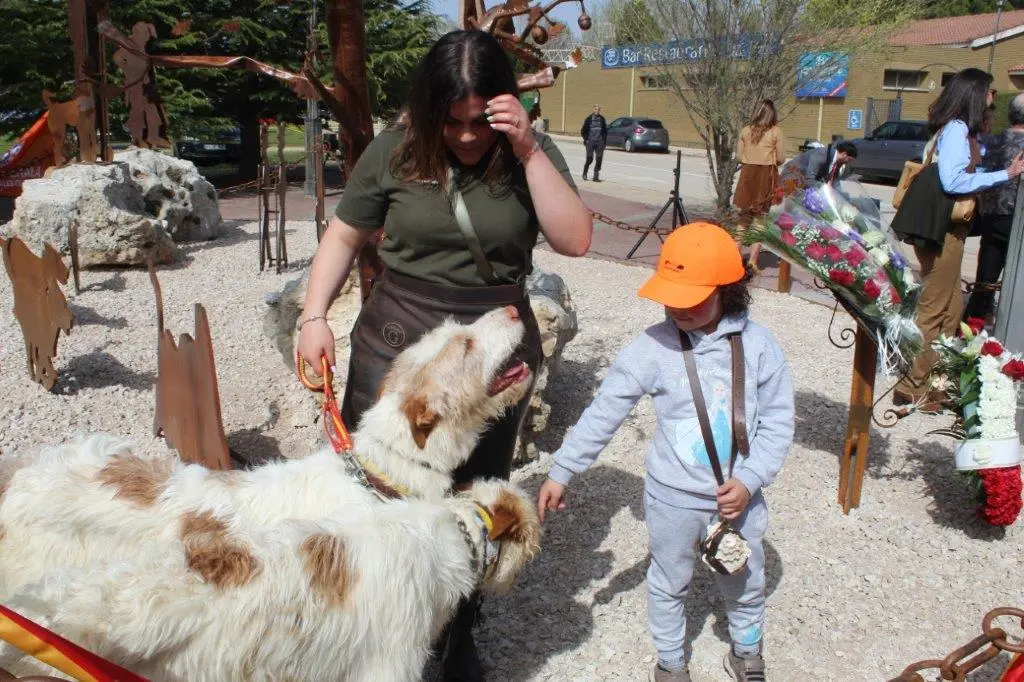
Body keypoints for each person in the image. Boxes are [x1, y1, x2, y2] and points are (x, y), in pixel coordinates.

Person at [296, 30, 592, 681]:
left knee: (469, 496)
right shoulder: (396, 151)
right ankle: (357, 625)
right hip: (398, 340)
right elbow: (344, 234)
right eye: (450, 121)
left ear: (506, 103)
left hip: (490, 351)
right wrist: (313, 314)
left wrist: (527, 148)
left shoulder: (526, 152)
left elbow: (575, 239)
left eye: (478, 120)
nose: (464, 135)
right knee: (375, 490)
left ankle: (451, 637)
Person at [537, 224, 794, 682]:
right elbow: (604, 412)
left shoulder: (759, 348)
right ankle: (672, 662)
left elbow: (777, 424)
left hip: (739, 501)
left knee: (744, 581)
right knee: (668, 580)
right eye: (671, 295)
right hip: (671, 499)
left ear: (729, 291)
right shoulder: (651, 348)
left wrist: (751, 479)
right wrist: (563, 470)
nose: (677, 306)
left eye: (692, 297)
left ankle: (746, 650)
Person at [891, 68, 1024, 412]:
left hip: (949, 232)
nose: (994, 97)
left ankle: (934, 384)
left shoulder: (958, 130)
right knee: (934, 310)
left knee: (951, 312)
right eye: (990, 92)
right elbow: (952, 182)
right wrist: (1005, 174)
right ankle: (910, 385)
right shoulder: (956, 130)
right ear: (975, 95)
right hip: (943, 233)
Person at [964, 93, 1024, 323]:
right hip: (1017, 221)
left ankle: (972, 328)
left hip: (990, 217)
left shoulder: (991, 142)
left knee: (985, 277)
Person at [734, 100, 785, 270]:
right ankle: (753, 261)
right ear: (773, 114)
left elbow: (739, 156)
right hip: (766, 175)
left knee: (744, 217)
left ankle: (734, 255)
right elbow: (781, 158)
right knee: (760, 218)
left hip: (748, 174)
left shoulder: (745, 130)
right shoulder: (776, 131)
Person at [783, 140, 858, 185]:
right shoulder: (821, 156)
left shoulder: (837, 163)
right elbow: (809, 179)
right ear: (844, 154)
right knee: (794, 206)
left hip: (802, 179)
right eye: (850, 160)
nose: (849, 163)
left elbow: (834, 182)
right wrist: (824, 188)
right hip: (792, 175)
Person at [580, 104, 607, 182]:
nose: (597, 111)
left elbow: (605, 131)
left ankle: (596, 176)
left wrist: (604, 141)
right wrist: (586, 139)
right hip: (590, 141)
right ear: (593, 110)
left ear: (599, 110)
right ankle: (585, 172)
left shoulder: (602, 119)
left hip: (600, 142)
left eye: (598, 109)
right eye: (595, 109)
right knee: (590, 158)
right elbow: (583, 131)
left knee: (599, 159)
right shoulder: (588, 119)